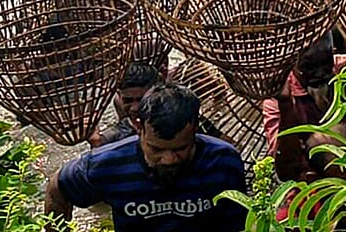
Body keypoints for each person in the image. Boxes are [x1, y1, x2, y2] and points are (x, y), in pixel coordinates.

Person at [45, 83, 247, 231]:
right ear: (139, 127)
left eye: (180, 149)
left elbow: (241, 224)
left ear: (195, 129)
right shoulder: (108, 164)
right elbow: (58, 188)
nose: (169, 159)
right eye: (157, 150)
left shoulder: (223, 161)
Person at [262, 34, 346, 181]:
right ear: (291, 63)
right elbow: (285, 171)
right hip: (316, 182)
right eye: (309, 67)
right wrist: (286, 104)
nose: (319, 74)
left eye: (325, 64)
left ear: (333, 52)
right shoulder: (277, 98)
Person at [89, 62, 162, 148]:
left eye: (141, 99)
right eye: (127, 100)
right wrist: (96, 143)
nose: (134, 108)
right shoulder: (122, 131)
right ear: (119, 97)